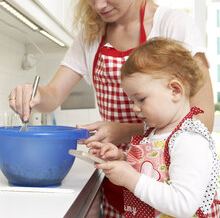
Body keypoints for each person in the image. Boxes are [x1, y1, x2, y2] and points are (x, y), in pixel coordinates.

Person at [8, 0, 214, 216]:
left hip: (165, 186)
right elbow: (52, 95)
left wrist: (122, 130)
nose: (99, 4)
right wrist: (35, 94)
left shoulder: (172, 24)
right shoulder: (91, 35)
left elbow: (203, 120)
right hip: (118, 175)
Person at [89, 37, 220, 217]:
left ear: (175, 90)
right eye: (132, 101)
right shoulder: (156, 133)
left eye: (141, 99)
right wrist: (123, 159)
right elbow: (156, 171)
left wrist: (130, 178)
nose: (135, 108)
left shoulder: (189, 139)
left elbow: (184, 205)